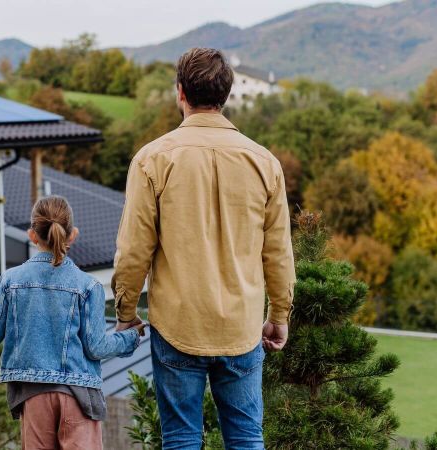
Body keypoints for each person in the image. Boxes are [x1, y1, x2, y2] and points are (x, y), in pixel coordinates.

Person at [112, 48, 296, 450]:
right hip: (241, 326)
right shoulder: (264, 162)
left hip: (178, 325)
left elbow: (133, 251)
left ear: (180, 92)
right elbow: (278, 251)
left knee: (181, 439)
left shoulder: (151, 160)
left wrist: (126, 313)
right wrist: (279, 314)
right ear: (225, 95)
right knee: (247, 438)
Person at [0, 195, 144, 449]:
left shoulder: (11, 281)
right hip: (79, 395)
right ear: (72, 234)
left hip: (34, 396)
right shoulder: (88, 286)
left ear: (32, 235)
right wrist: (130, 336)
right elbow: (97, 347)